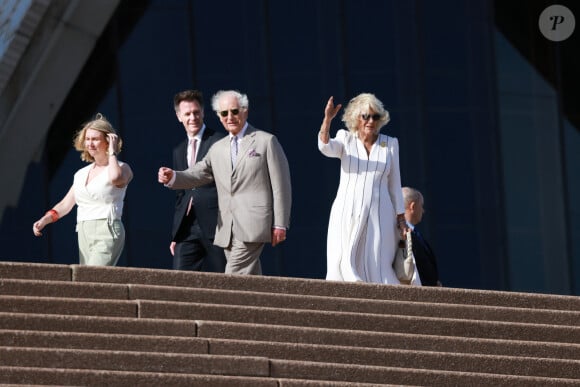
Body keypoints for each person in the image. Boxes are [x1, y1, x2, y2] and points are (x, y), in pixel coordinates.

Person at [158, 89, 292, 275]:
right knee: (250, 279)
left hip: (253, 223)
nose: (230, 117)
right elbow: (198, 173)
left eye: (235, 111)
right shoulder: (218, 148)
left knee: (233, 275)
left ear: (245, 111)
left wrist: (280, 223)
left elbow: (281, 186)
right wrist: (173, 176)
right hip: (226, 227)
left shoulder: (266, 141)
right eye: (224, 113)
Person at [318, 94, 407, 284]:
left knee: (378, 258)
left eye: (375, 117)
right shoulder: (346, 139)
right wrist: (327, 119)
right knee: (346, 257)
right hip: (348, 210)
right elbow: (325, 147)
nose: (370, 121)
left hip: (380, 213)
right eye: (365, 116)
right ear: (356, 118)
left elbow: (395, 183)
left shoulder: (390, 144)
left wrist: (401, 218)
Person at [32, 113, 133, 266]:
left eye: (95, 139)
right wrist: (44, 220)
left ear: (108, 141)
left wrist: (112, 152)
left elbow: (115, 179)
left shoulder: (122, 168)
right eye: (87, 139)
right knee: (87, 282)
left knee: (93, 278)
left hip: (107, 229)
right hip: (83, 232)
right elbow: (66, 204)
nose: (90, 143)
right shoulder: (81, 174)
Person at [168, 90, 226, 272]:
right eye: (187, 114)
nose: (192, 117)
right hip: (188, 228)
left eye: (196, 112)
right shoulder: (179, 150)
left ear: (202, 112)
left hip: (216, 224)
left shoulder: (219, 142)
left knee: (227, 280)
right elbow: (181, 195)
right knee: (180, 279)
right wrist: (176, 235)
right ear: (179, 117)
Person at [402, 186, 442, 286]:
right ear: (413, 206)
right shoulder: (399, 232)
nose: (423, 211)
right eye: (421, 206)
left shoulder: (416, 233)